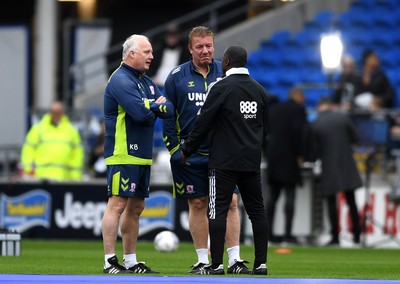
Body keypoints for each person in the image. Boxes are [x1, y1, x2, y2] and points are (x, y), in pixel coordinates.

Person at [162, 26, 248, 274]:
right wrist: (175, 150)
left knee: (231, 202)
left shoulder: (227, 73)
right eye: (199, 47)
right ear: (190, 49)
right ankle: (202, 259)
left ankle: (234, 260)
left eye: (209, 45)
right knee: (198, 203)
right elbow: (167, 116)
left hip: (223, 153)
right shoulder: (176, 77)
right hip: (190, 154)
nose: (205, 51)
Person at [181, 45, 269, 275]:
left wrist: (187, 149)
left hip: (223, 163)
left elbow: (203, 122)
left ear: (227, 62)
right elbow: (265, 127)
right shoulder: (259, 90)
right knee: (257, 211)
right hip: (251, 162)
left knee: (217, 211)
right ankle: (261, 264)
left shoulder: (219, 87)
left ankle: (217, 265)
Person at [101, 34, 173, 274]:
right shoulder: (120, 80)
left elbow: (167, 107)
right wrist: (153, 106)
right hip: (122, 152)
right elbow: (142, 115)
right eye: (147, 51)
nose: (152, 56)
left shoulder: (146, 82)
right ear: (132, 54)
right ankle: (109, 261)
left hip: (142, 154)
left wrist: (150, 106)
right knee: (118, 204)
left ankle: (131, 261)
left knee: (137, 207)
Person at [310, 96, 362, 246]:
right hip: (347, 165)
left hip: (329, 166)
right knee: (351, 201)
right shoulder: (343, 118)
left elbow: (314, 151)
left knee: (331, 202)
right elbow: (356, 139)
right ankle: (357, 236)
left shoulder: (316, 123)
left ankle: (335, 237)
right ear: (331, 106)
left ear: (320, 106)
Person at [266, 87, 307, 244]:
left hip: (274, 158)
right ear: (298, 96)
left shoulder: (274, 110)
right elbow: (299, 134)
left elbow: (265, 133)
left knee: (272, 199)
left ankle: (269, 235)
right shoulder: (298, 110)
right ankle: (288, 235)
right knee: (290, 197)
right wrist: (300, 155)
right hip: (290, 159)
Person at [20, 101, 84, 181]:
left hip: (64, 178)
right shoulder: (38, 129)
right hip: (41, 178)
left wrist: (75, 176)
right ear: (50, 112)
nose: (56, 114)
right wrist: (28, 169)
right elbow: (28, 150)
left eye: (58, 112)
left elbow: (77, 154)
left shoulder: (72, 131)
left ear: (63, 113)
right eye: (53, 112)